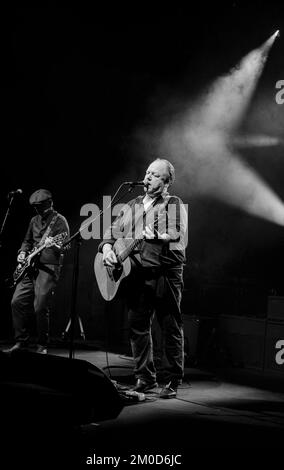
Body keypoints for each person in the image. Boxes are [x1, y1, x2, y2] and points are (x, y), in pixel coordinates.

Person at [99, 158, 188, 398]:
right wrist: (107, 250)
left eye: (155, 174)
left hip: (164, 273)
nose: (147, 177)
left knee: (169, 325)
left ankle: (171, 380)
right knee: (138, 326)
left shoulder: (172, 203)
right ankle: (145, 377)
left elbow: (176, 232)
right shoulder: (133, 203)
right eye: (147, 172)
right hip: (136, 274)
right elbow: (111, 233)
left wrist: (159, 235)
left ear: (167, 181)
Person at [5, 189, 70, 354]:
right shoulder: (34, 220)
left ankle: (42, 345)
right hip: (30, 266)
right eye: (35, 207)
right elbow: (27, 241)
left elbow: (66, 246)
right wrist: (21, 253)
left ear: (50, 203)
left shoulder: (60, 220)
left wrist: (53, 244)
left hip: (48, 267)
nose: (37, 210)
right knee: (16, 302)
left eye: (40, 206)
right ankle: (21, 341)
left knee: (40, 306)